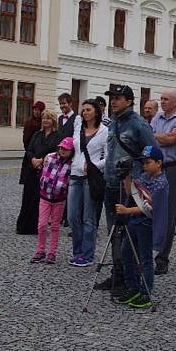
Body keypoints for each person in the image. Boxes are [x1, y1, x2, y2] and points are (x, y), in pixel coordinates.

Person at [96, 84, 158, 297]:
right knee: (114, 231)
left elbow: (151, 156)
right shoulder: (113, 122)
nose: (113, 101)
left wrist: (137, 176)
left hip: (131, 187)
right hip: (112, 185)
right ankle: (118, 273)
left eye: (118, 97)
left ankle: (133, 280)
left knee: (130, 235)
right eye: (111, 97)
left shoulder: (139, 125)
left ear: (129, 101)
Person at [114, 145, 168, 309]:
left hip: (147, 224)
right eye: (143, 163)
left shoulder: (161, 183)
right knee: (126, 254)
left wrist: (126, 210)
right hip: (134, 222)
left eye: (148, 162)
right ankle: (133, 287)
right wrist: (126, 175)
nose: (145, 166)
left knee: (145, 259)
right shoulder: (144, 177)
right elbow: (131, 192)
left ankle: (146, 291)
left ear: (159, 163)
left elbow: (148, 207)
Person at [151, 88, 176, 275]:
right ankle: (147, 251)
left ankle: (162, 258)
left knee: (168, 213)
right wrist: (161, 138)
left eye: (166, 99)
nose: (163, 102)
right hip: (153, 168)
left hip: (172, 168)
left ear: (175, 102)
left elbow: (171, 140)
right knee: (148, 209)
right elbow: (150, 141)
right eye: (161, 99)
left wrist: (157, 137)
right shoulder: (157, 117)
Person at [68, 99, 108, 267]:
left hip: (90, 178)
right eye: (83, 110)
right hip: (75, 175)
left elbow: (108, 156)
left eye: (88, 110)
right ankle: (77, 251)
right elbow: (73, 148)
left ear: (97, 112)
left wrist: (94, 166)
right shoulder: (78, 128)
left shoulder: (104, 131)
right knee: (72, 216)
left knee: (88, 218)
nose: (85, 112)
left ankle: (87, 254)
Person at [31, 137, 74, 264]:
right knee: (42, 224)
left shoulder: (72, 163)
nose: (62, 150)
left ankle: (52, 252)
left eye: (66, 149)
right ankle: (40, 249)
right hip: (45, 196)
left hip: (59, 199)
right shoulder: (50, 157)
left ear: (71, 151)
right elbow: (42, 169)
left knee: (55, 226)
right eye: (61, 147)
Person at [18, 110, 61, 235]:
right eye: (44, 118)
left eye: (48, 118)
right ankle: (24, 226)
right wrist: (33, 159)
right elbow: (29, 149)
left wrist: (42, 160)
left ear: (53, 120)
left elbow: (56, 152)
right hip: (32, 170)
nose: (45, 120)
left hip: (47, 172)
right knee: (27, 197)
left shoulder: (58, 136)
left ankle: (37, 226)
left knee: (40, 199)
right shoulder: (37, 134)